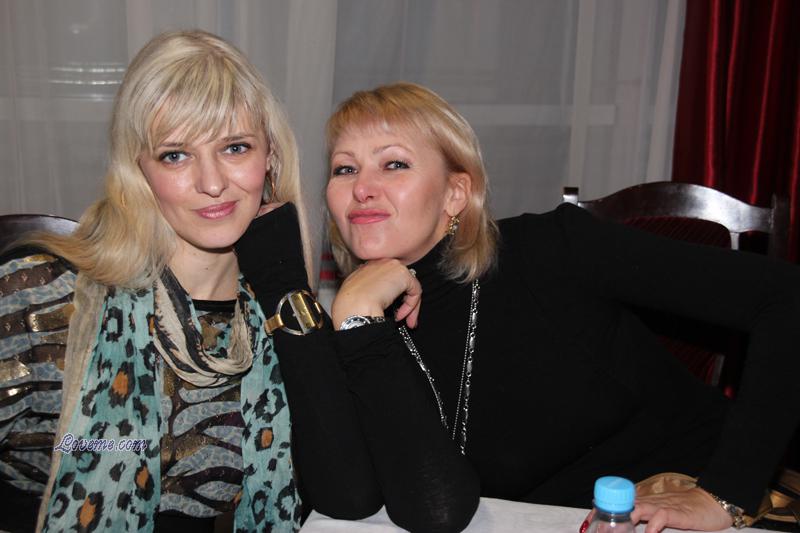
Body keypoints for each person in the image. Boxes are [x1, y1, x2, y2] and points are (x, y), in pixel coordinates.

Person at [241, 81, 800, 533]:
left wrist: (726, 492)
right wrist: (331, 307)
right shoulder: (358, 321)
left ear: (455, 194)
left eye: (394, 164)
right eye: (344, 169)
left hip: (691, 494)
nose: (362, 188)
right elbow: (348, 497)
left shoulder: (554, 249)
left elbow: (785, 297)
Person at [0, 30, 310, 532]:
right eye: (175, 155)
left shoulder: (283, 320)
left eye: (235, 147)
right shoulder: (41, 297)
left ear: (269, 156)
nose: (212, 183)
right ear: (138, 170)